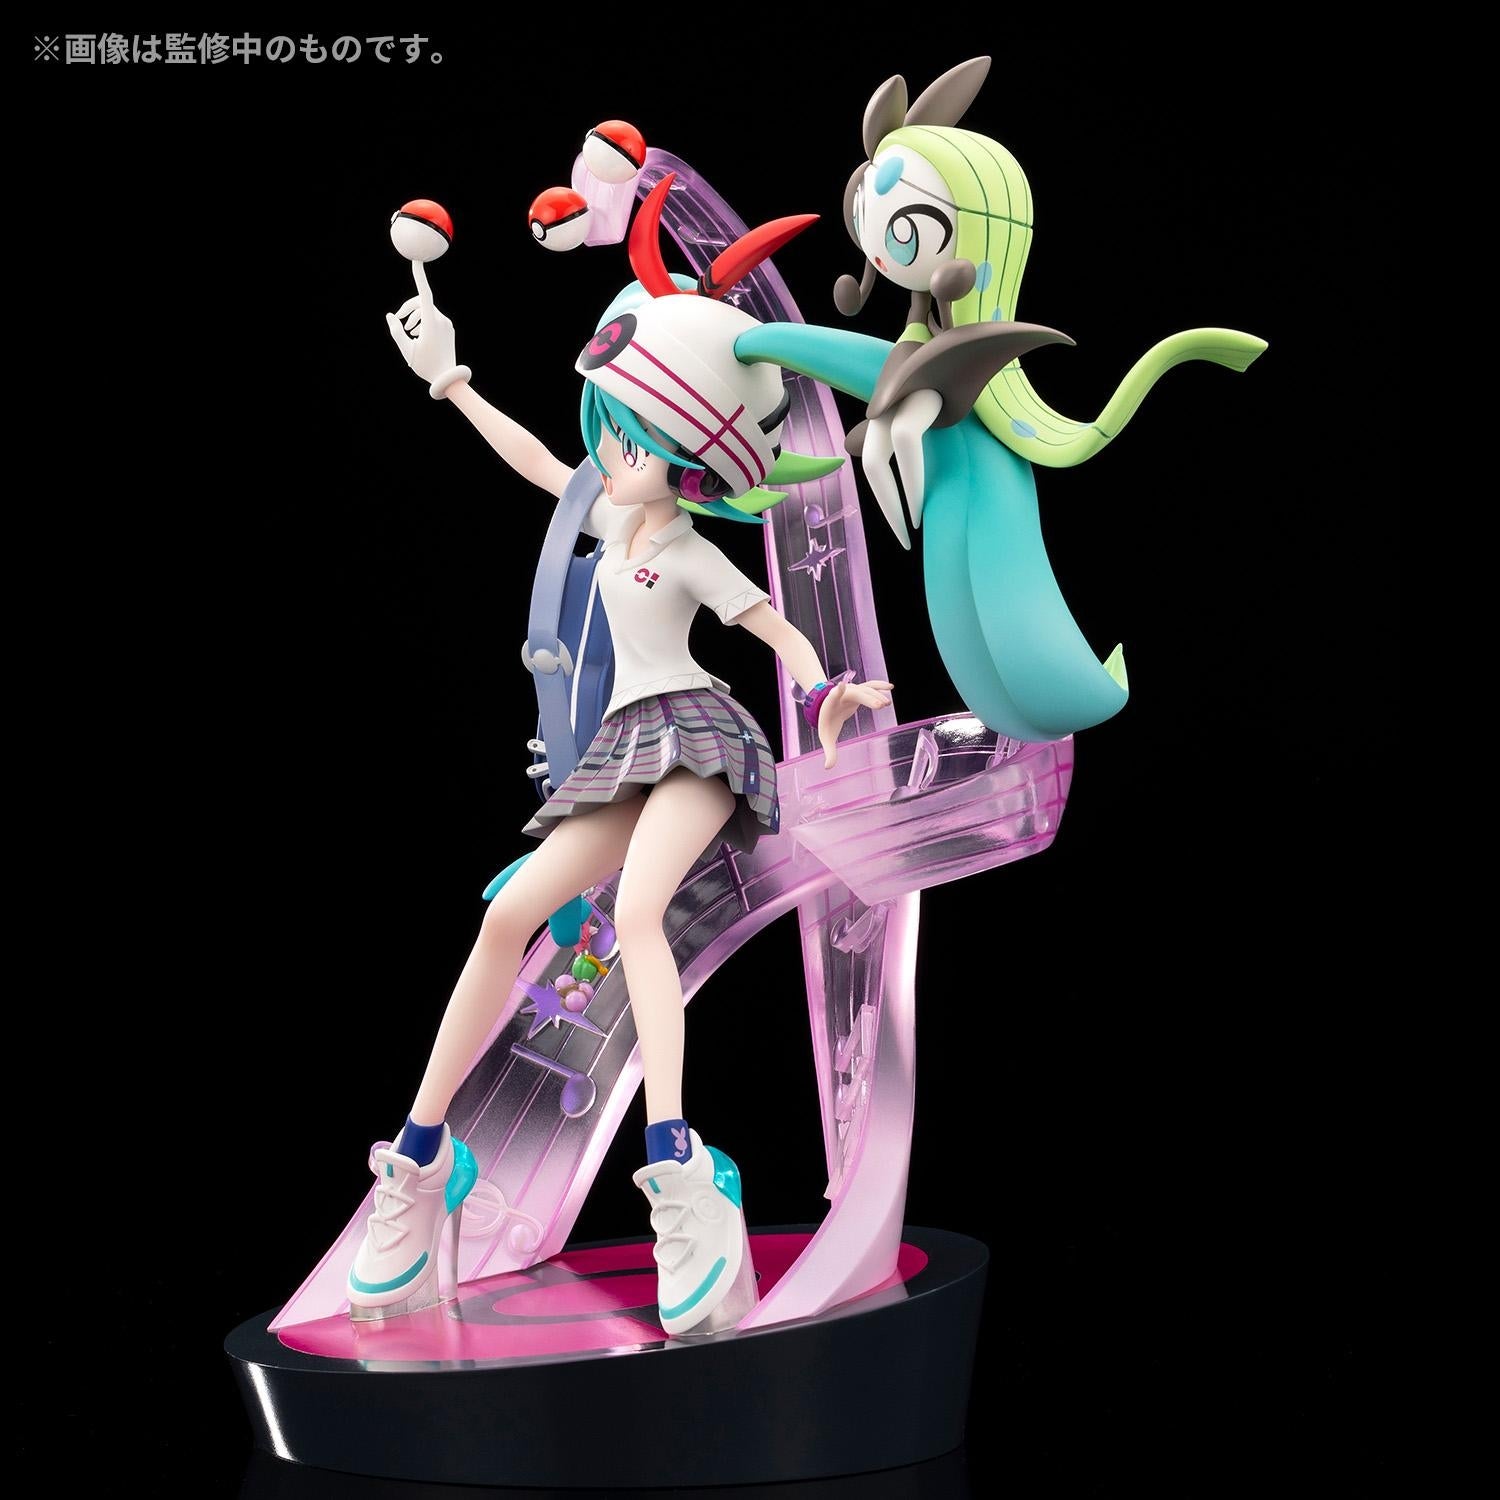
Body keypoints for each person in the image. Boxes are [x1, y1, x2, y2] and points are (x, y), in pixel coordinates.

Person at [348, 180, 892, 1337]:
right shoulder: (607, 517)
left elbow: (776, 628)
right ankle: (425, 1153)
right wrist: (452, 383)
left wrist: (827, 691)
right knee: (510, 916)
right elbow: (537, 464)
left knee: (641, 913)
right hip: (621, 753)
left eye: (636, 438)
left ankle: (680, 1162)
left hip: (694, 740)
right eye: (610, 427)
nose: (610, 451)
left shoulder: (689, 550)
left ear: (693, 460)